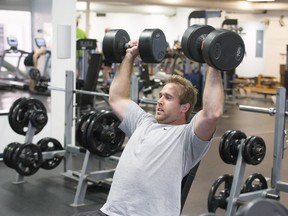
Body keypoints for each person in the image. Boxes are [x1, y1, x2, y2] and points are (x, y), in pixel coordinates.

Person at [82, 39, 224, 216]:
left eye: (168, 97)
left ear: (184, 108)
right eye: (160, 95)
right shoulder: (143, 122)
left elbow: (212, 114)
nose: (159, 100)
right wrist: (129, 55)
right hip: (110, 212)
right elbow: (117, 98)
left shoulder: (187, 137)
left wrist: (212, 58)